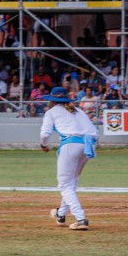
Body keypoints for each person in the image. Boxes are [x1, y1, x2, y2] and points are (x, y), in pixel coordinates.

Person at [40, 87, 99, 231]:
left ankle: (80, 219)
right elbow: (95, 133)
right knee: (71, 182)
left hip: (70, 145)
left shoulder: (51, 112)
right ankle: (60, 215)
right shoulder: (78, 111)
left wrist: (44, 145)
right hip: (88, 145)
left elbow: (45, 134)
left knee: (65, 184)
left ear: (53, 101)